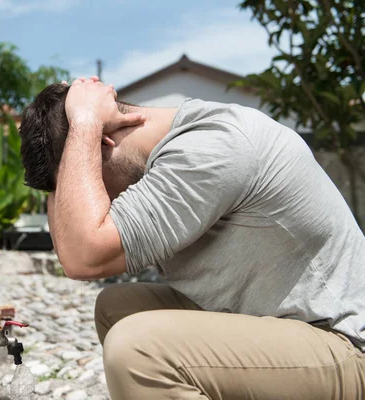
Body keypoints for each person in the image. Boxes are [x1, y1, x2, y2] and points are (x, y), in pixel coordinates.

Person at [18, 76, 365, 399]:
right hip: (278, 325)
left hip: (342, 346)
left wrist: (84, 124)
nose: (89, 199)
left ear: (103, 143)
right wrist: (76, 140)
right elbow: (72, 248)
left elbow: (83, 255)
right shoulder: (171, 152)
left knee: (137, 349)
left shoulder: (210, 148)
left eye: (85, 177)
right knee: (118, 308)